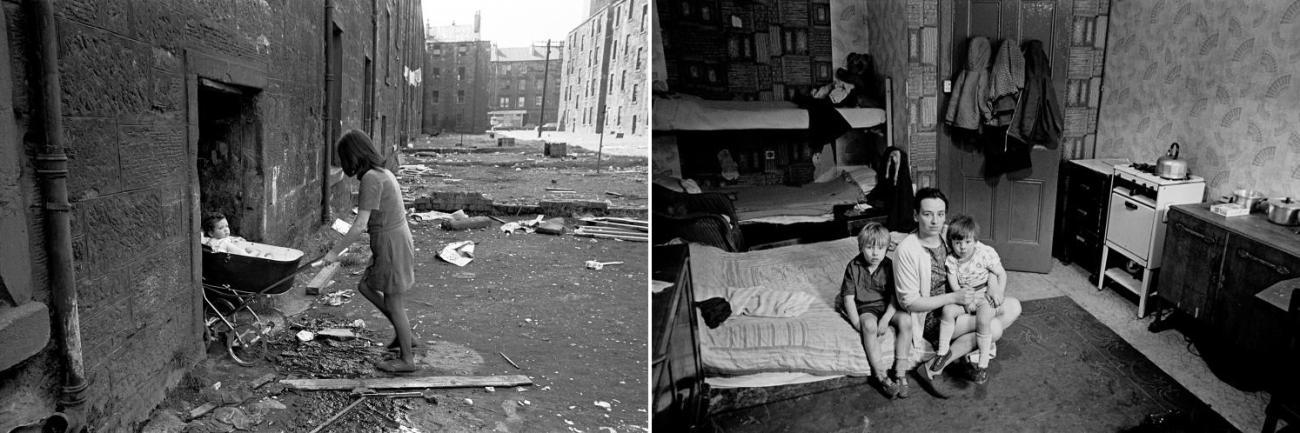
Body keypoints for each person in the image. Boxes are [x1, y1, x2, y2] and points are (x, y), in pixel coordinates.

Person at [892, 187, 1021, 397]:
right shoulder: (907, 250)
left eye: (940, 214)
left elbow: (982, 259)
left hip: (966, 300)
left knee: (1014, 306)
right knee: (994, 328)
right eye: (927, 214)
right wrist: (954, 297)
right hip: (933, 317)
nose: (935, 221)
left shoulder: (948, 233)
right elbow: (910, 302)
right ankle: (935, 366)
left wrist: (994, 284)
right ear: (916, 215)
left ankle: (960, 354)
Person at [323, 130, 418, 373]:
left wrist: (334, 253)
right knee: (366, 286)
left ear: (353, 156)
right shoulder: (382, 173)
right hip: (392, 239)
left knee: (394, 302)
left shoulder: (371, 179)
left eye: (343, 158)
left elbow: (359, 226)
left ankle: (407, 360)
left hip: (391, 243)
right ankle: (403, 333)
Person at [841, 222, 912, 398]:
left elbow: (896, 296)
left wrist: (886, 319)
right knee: (869, 326)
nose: (875, 253)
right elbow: (848, 298)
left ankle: (901, 371)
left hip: (888, 305)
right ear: (860, 247)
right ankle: (880, 374)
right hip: (866, 307)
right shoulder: (853, 266)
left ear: (887, 248)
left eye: (880, 248)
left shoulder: (890, 265)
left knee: (906, 321)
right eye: (869, 247)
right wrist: (857, 322)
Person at [938, 215, 1006, 383]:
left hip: (984, 294)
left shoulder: (984, 253)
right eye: (957, 242)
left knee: (983, 321)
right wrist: (964, 299)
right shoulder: (952, 260)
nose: (962, 247)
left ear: (975, 241)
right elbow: (953, 284)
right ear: (951, 243)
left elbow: (1001, 273)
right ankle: (942, 352)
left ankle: (982, 365)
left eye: (967, 242)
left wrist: (999, 291)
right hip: (965, 296)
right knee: (947, 311)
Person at [201, 212, 268, 258]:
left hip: (219, 261)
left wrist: (233, 239)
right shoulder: (224, 243)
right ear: (211, 233)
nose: (226, 229)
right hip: (238, 260)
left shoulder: (210, 241)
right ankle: (255, 254)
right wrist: (255, 252)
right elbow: (241, 254)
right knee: (250, 250)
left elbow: (222, 239)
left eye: (227, 226)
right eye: (221, 228)